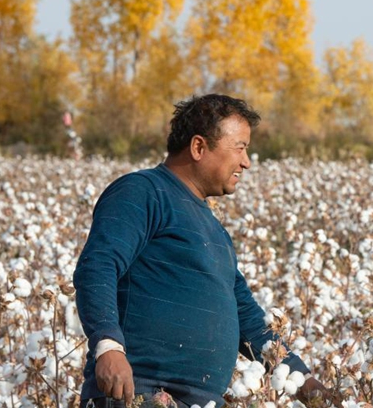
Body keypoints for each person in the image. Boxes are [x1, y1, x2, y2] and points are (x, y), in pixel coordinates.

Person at [74, 94, 338, 407]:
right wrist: (108, 347)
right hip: (138, 392)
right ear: (199, 147)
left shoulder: (214, 229)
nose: (246, 161)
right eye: (239, 147)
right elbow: (99, 266)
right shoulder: (142, 192)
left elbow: (248, 321)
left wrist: (310, 387)